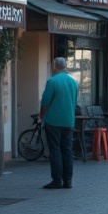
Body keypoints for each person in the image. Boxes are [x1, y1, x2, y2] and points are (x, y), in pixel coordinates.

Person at [38, 56, 79, 189]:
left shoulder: (52, 81)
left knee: (55, 150)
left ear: (55, 66)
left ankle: (57, 180)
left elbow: (45, 102)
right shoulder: (74, 82)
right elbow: (75, 102)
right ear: (64, 66)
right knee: (67, 150)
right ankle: (68, 180)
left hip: (53, 121)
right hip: (69, 121)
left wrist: (41, 116)